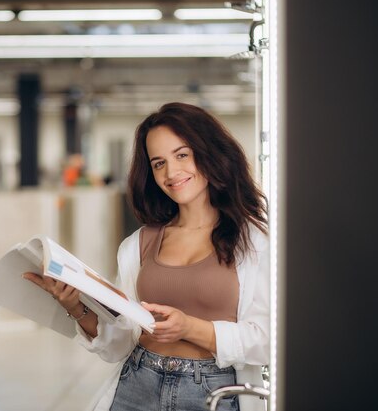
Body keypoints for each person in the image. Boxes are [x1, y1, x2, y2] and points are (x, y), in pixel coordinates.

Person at [24, 102, 269, 411]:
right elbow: (121, 343)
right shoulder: (137, 245)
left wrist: (190, 328)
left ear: (209, 153)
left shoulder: (254, 240)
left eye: (182, 155)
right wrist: (76, 307)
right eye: (158, 163)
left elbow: (268, 340)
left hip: (213, 393)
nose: (171, 172)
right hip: (137, 386)